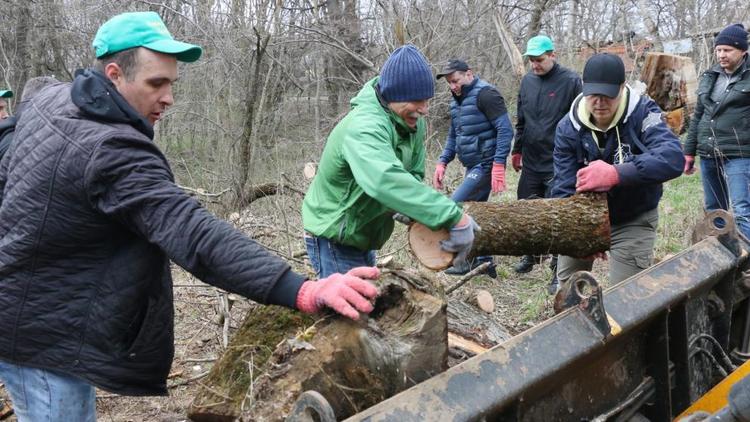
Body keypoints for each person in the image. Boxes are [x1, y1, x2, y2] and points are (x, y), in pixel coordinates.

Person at [0, 12, 379, 421]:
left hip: (28, 314)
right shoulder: (110, 150)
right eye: (155, 84)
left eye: (171, 84)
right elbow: (193, 233)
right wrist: (301, 290)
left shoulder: (54, 99)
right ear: (114, 74)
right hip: (42, 341)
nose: (168, 98)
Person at [302, 45, 479, 279]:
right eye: (417, 101)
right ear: (394, 96)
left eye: (427, 100)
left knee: (368, 304)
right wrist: (453, 216)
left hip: (362, 234)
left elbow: (412, 175)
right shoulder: (364, 126)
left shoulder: (411, 121)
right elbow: (384, 179)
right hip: (334, 236)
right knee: (350, 311)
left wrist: (407, 207)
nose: (424, 110)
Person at [551, 53, 684, 290]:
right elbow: (563, 187)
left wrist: (616, 174)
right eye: (593, 94)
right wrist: (580, 233)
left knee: (627, 297)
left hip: (633, 217)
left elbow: (672, 158)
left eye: (607, 95)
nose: (600, 102)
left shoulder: (644, 113)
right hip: (582, 219)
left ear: (622, 88)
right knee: (570, 290)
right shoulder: (567, 127)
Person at [511, 35, 582, 293]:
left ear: (553, 54)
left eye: (539, 60)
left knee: (556, 214)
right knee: (527, 208)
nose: (535, 65)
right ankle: (532, 254)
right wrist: (516, 150)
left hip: (559, 161)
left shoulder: (571, 81)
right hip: (532, 158)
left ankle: (556, 268)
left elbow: (581, 121)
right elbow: (521, 119)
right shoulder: (527, 82)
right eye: (531, 60)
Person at [432, 59, 513, 277]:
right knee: (475, 211)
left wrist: (497, 165)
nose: (453, 86)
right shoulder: (456, 101)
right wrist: (442, 161)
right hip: (472, 164)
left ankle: (467, 262)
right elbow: (454, 136)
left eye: (455, 81)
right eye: (449, 83)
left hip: (485, 164)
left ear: (469, 74)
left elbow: (505, 130)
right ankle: (485, 264)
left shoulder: (486, 94)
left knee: (455, 205)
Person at [684, 23, 750, 240]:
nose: (721, 55)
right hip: (709, 153)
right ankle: (722, 257)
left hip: (739, 153)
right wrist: (689, 151)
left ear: (743, 51)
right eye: (718, 50)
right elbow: (698, 116)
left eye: (728, 50)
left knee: (742, 210)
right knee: (714, 210)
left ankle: (747, 261)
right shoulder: (710, 76)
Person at [0, 77, 59, 160]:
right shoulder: (10, 143)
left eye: (4, 108)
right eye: (0, 109)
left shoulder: (14, 137)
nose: (6, 115)